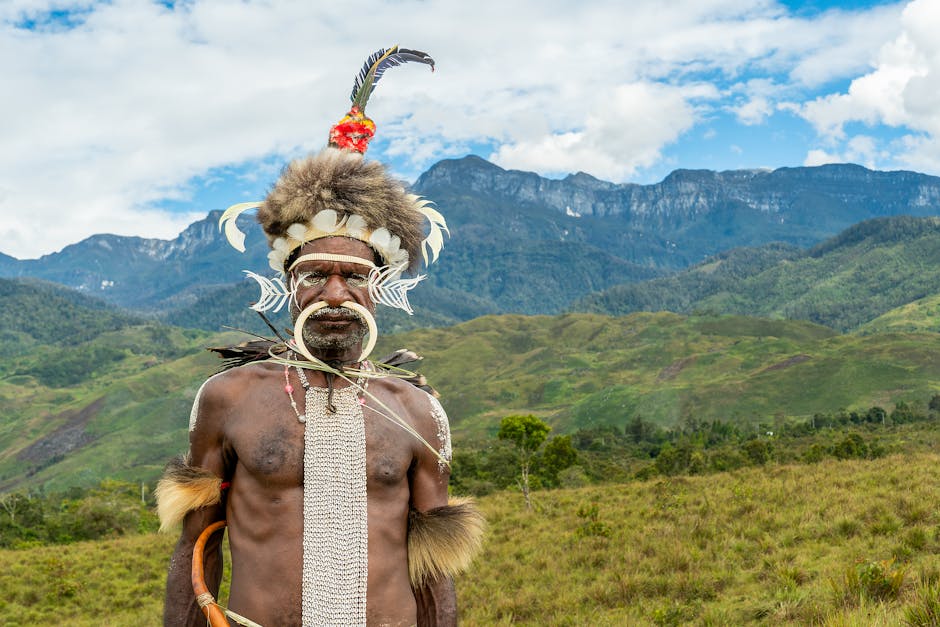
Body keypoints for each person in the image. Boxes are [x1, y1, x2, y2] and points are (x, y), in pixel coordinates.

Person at [156, 47, 483, 627]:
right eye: (315, 276)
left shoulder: (417, 411)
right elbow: (195, 551)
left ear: (379, 287)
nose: (335, 294)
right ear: (289, 285)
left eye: (354, 276)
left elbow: (434, 574)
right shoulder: (228, 398)